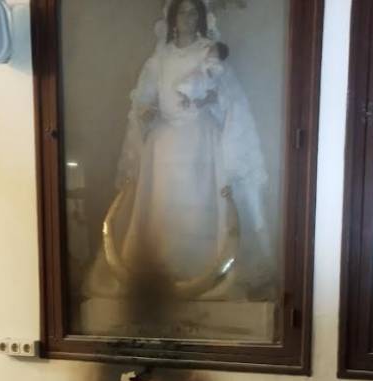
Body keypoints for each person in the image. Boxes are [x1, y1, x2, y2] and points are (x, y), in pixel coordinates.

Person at [85, 0, 271, 300]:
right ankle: (159, 275)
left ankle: (203, 271)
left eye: (194, 12)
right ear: (172, 19)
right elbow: (144, 99)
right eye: (183, 12)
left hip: (201, 142)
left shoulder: (209, 53)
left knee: (199, 202)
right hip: (164, 146)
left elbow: (229, 97)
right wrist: (147, 110)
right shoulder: (159, 60)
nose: (189, 17)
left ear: (201, 17)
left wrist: (209, 99)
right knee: (162, 205)